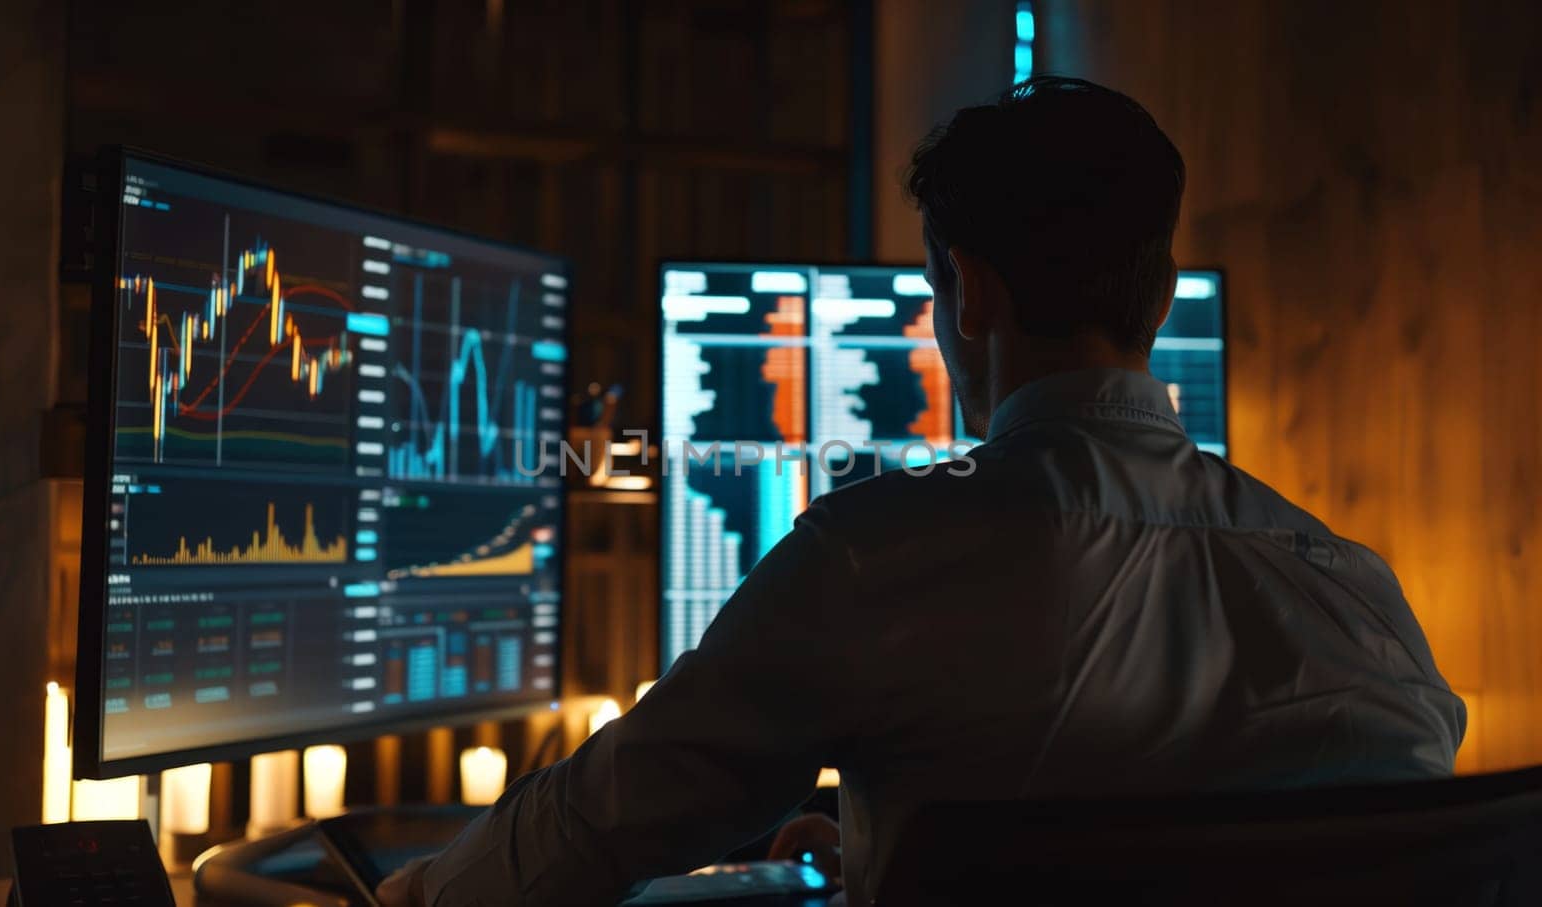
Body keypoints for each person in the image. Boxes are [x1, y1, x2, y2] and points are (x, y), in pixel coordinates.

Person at [379, 76, 1465, 907]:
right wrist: (901, 854)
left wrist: (407, 894)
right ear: (1162, 293)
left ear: (972, 294)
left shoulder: (877, 557)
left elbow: (617, 815)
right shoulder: (1360, 598)